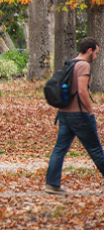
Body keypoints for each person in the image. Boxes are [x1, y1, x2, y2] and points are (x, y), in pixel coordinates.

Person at [45, 37, 104, 194]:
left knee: (59, 149)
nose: (96, 57)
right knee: (96, 150)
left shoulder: (70, 63)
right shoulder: (83, 65)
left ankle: (51, 184)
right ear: (89, 51)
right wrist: (90, 111)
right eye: (96, 53)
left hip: (64, 114)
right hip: (80, 115)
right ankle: (52, 184)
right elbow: (82, 91)